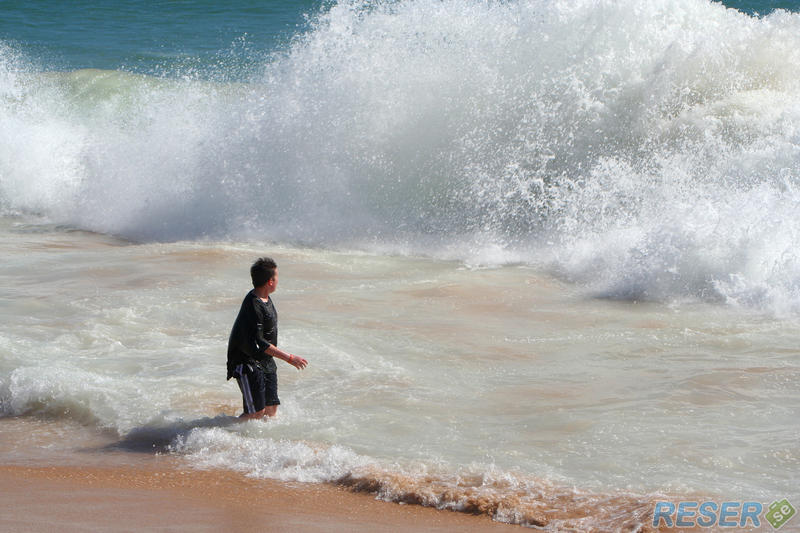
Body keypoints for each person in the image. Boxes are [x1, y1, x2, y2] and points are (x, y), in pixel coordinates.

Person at [227, 257, 308, 419]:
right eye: (277, 277)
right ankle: (228, 438)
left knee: (271, 408)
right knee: (256, 412)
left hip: (264, 360)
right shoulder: (253, 305)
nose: (278, 281)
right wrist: (290, 358)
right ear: (270, 281)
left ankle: (262, 442)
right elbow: (261, 342)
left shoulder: (265, 298)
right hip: (246, 361)